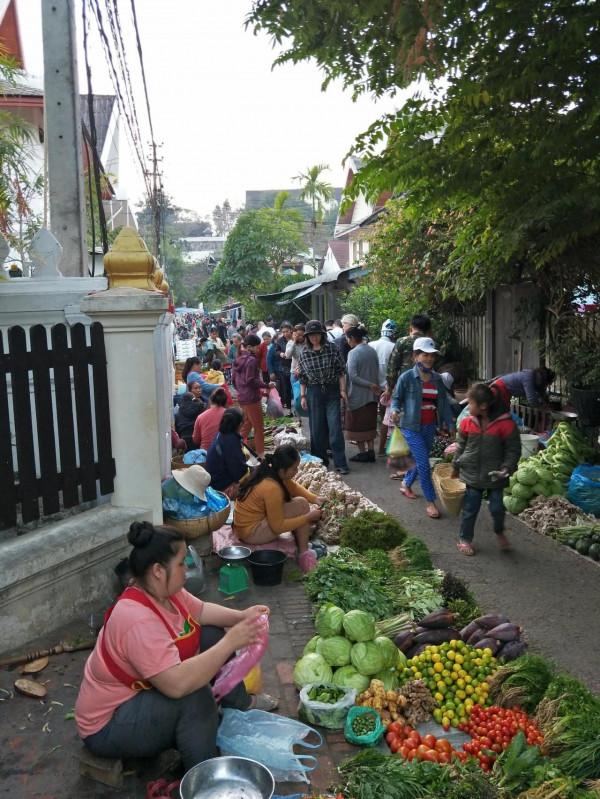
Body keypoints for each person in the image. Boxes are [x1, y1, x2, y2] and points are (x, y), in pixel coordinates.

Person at [75, 521, 276, 773]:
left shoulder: (165, 592)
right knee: (196, 697)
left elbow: (201, 611)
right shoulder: (135, 619)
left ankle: (238, 705)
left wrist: (242, 616)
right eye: (181, 563)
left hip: (141, 697)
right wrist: (231, 641)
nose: (187, 569)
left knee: (211, 633)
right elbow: (177, 684)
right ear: (159, 570)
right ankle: (204, 778)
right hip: (108, 724)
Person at [451, 383, 521, 555]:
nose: (468, 406)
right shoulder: (467, 423)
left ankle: (499, 531)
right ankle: (465, 539)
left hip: (495, 476)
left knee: (497, 508)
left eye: (471, 403)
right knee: (470, 509)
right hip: (472, 474)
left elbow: (513, 450)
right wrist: (455, 465)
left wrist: (506, 469)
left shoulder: (506, 425)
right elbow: (460, 447)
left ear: (482, 406)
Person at [390, 337, 455, 519]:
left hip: (429, 426)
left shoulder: (437, 379)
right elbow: (396, 398)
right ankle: (430, 502)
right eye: (424, 355)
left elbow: (443, 403)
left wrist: (450, 425)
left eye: (432, 356)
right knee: (425, 465)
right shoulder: (407, 377)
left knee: (421, 460)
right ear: (415, 356)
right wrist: (395, 410)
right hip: (410, 427)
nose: (429, 359)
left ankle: (406, 483)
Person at [233, 445, 325, 573]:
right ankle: (304, 554)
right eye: (294, 469)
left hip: (245, 527)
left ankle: (302, 546)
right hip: (251, 533)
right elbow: (278, 527)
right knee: (302, 507)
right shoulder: (272, 488)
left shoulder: (270, 471)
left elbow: (293, 486)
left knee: (302, 503)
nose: (297, 471)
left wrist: (315, 499)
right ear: (282, 470)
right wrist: (307, 518)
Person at [298, 320, 349, 474]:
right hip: (313, 392)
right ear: (307, 336)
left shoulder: (332, 348)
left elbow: (341, 371)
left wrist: (343, 390)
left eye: (317, 334)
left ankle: (341, 463)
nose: (314, 337)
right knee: (317, 429)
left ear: (322, 334)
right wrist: (302, 396)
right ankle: (320, 462)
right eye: (311, 335)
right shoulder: (304, 353)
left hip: (332, 390)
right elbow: (302, 378)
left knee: (335, 428)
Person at [232, 335, 274, 459]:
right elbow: (251, 380)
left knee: (246, 425)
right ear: (250, 347)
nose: (258, 349)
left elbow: (234, 380)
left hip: (242, 397)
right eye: (257, 347)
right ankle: (261, 455)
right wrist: (266, 385)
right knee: (259, 428)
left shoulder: (239, 358)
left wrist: (241, 391)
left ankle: (237, 450)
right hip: (252, 398)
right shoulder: (252, 360)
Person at [345, 326, 382, 462]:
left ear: (352, 338)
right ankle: (371, 451)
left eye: (347, 338)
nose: (347, 341)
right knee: (369, 424)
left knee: (357, 426)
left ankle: (362, 453)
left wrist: (369, 384)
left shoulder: (353, 353)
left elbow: (353, 376)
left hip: (357, 396)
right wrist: (373, 385)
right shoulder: (372, 350)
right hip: (372, 396)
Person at [204, 408, 251, 498]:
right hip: (219, 486)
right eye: (243, 422)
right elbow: (239, 472)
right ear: (240, 424)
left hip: (213, 479)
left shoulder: (222, 433)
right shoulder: (230, 440)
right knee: (253, 481)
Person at [369, 319, 398, 455]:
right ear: (393, 333)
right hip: (389, 387)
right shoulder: (395, 347)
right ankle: (385, 444)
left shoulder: (370, 345)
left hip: (372, 385)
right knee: (386, 417)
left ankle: (372, 444)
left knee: (373, 413)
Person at [386, 314, 432, 398]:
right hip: (427, 384)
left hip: (405, 384)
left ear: (411, 327)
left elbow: (392, 368)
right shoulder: (431, 344)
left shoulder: (402, 342)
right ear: (428, 329)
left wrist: (389, 388)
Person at [489, 367, 555, 413]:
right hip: (500, 388)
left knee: (503, 415)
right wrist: (543, 407)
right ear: (543, 380)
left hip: (505, 391)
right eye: (546, 384)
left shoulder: (535, 378)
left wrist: (546, 403)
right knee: (500, 415)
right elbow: (532, 400)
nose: (546, 386)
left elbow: (541, 394)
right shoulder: (529, 377)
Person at [267, 321, 293, 411]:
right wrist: (281, 354)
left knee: (295, 386)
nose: (285, 333)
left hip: (295, 365)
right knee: (286, 387)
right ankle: (289, 407)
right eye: (284, 332)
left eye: (287, 331)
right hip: (284, 366)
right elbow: (276, 351)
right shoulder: (280, 340)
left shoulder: (295, 338)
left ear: (291, 330)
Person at [175, 384, 205, 451]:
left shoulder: (178, 414)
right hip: (198, 439)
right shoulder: (200, 408)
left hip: (185, 440)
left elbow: (177, 430)